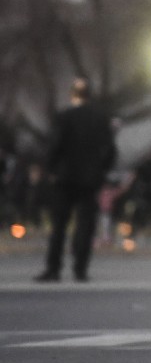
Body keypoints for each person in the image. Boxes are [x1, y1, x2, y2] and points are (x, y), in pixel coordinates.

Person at [35, 76, 115, 283]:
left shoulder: (64, 116)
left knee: (59, 225)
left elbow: (55, 145)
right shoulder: (100, 118)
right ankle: (80, 268)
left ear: (72, 94)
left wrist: (51, 169)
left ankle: (53, 268)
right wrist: (102, 171)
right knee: (85, 224)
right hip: (90, 179)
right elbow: (109, 150)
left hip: (65, 177)